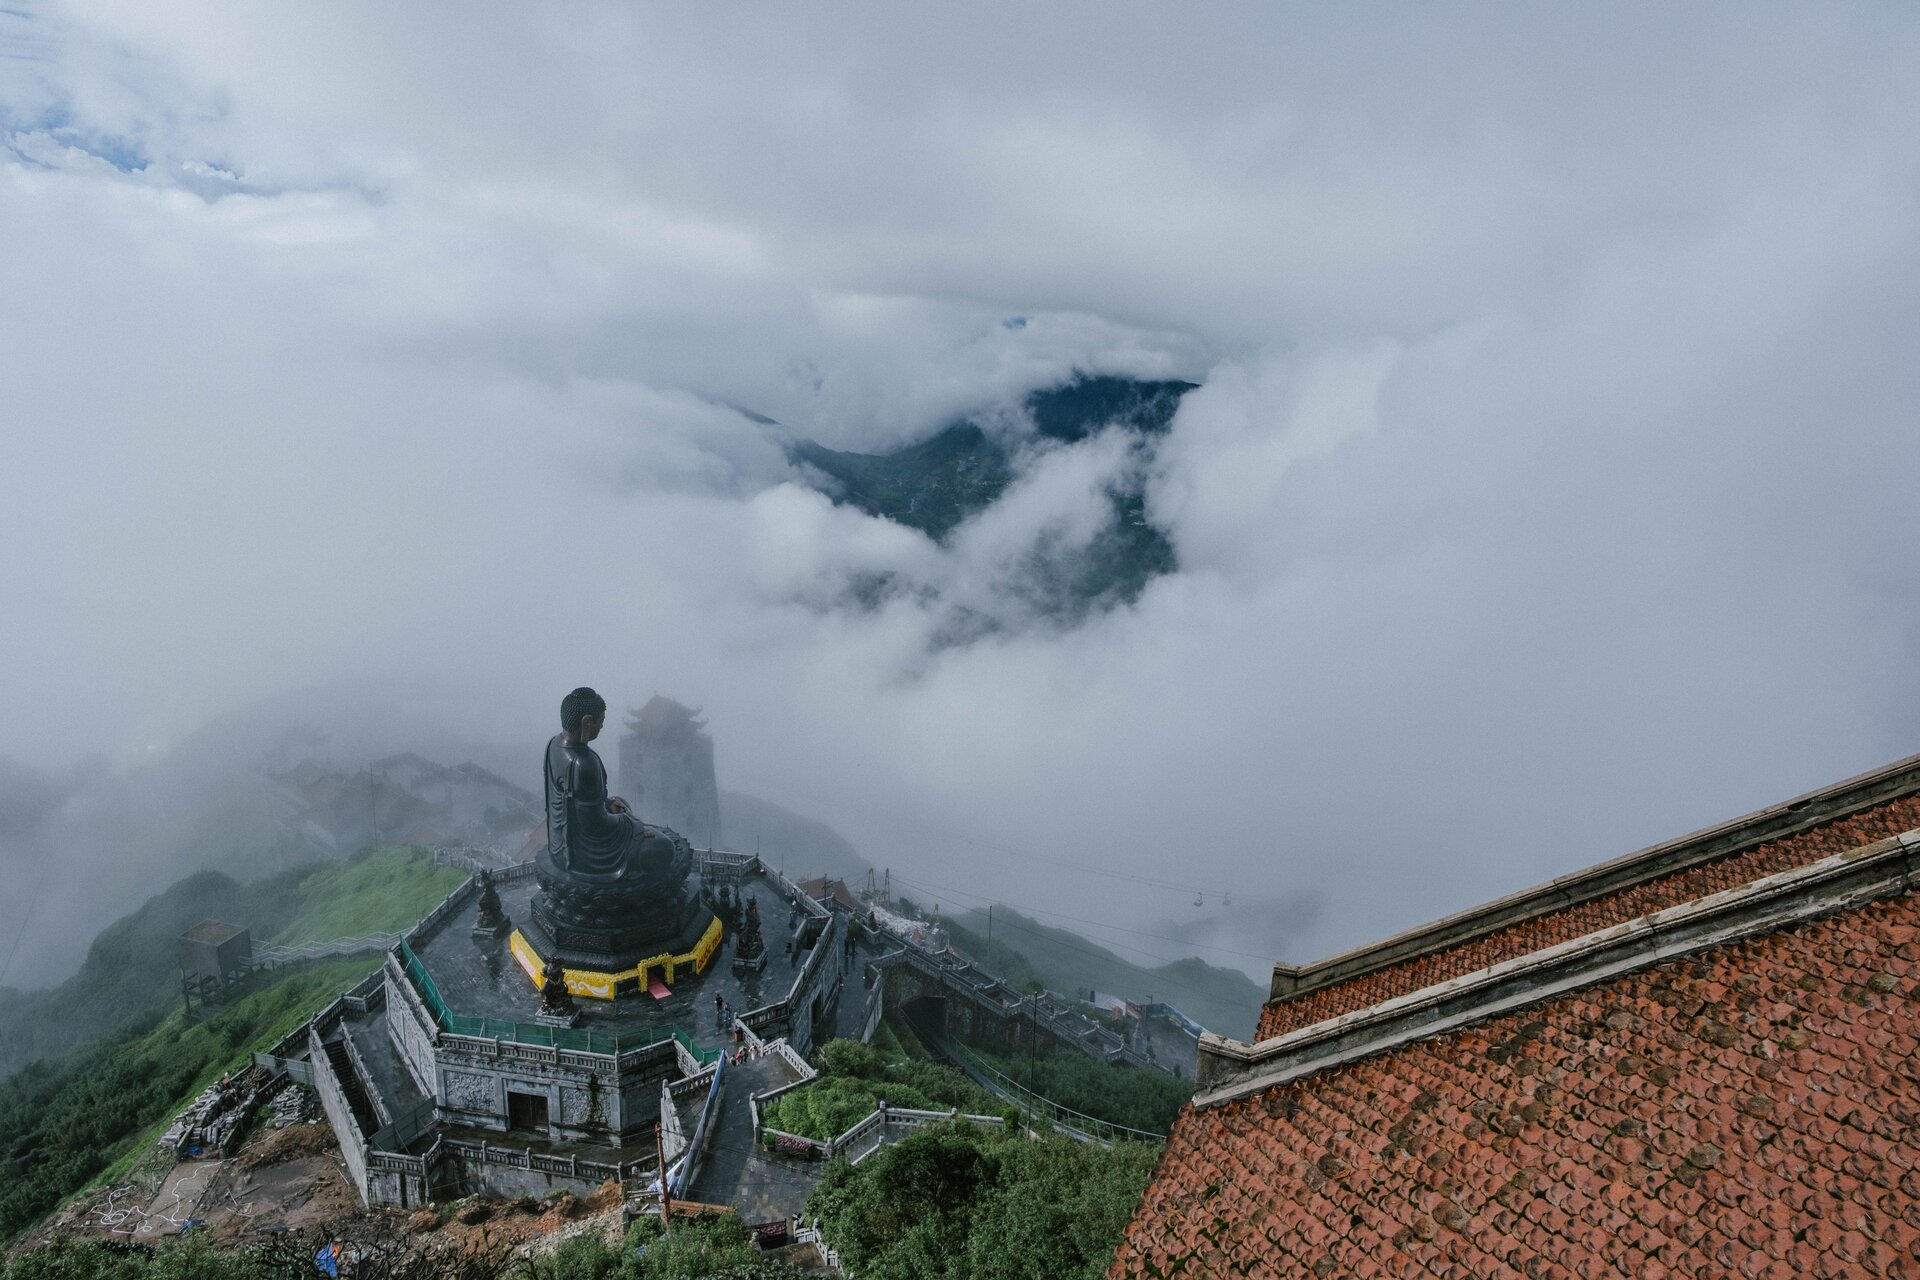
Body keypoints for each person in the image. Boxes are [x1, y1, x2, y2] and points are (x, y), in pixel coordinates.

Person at [545, 687, 654, 880]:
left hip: (558, 848)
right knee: (661, 846)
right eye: (601, 721)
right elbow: (596, 824)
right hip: (584, 858)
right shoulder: (584, 762)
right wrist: (633, 826)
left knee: (619, 802)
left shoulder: (553, 745)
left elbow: (574, 802)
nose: (602, 727)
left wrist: (605, 803)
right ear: (587, 722)